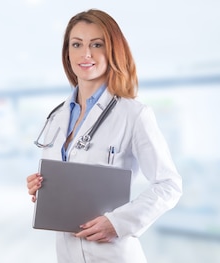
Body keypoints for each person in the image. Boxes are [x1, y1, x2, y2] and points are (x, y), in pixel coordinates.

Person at [25, 9, 182, 263]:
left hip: (113, 253)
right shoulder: (58, 117)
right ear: (67, 52)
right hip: (67, 253)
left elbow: (169, 186)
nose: (85, 54)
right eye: (77, 44)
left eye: (96, 44)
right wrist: (40, 186)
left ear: (112, 50)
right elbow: (67, 179)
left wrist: (117, 223)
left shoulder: (134, 114)